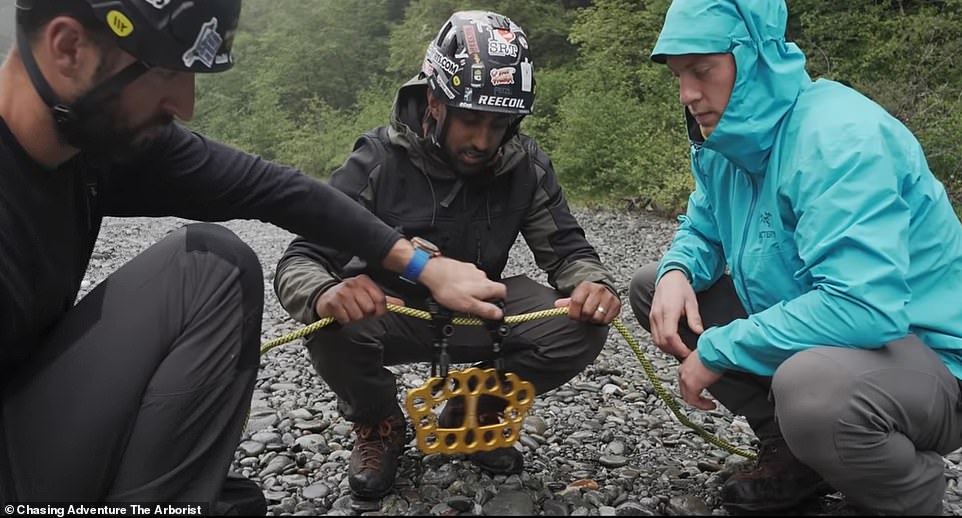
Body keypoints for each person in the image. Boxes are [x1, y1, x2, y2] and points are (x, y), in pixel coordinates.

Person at [0, 0, 510, 512]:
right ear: (68, 48)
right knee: (208, 267)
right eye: (166, 72)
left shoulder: (97, 146)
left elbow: (278, 190)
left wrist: (425, 266)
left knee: (212, 269)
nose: (184, 103)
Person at [628, 0, 962, 515]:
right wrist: (678, 269)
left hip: (929, 360)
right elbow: (703, 227)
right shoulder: (726, 144)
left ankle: (907, 495)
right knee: (656, 287)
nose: (688, 94)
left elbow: (863, 308)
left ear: (756, 56)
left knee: (812, 390)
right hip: (840, 340)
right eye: (678, 75)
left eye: (702, 70)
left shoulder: (838, 139)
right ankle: (794, 456)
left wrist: (719, 348)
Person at [273, 10, 622, 502]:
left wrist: (593, 285)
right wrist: (327, 293)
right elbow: (300, 259)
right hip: (392, 310)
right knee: (331, 324)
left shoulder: (527, 164)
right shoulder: (377, 159)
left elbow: (567, 250)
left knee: (581, 327)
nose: (483, 140)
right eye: (471, 120)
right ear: (434, 101)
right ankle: (379, 424)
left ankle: (474, 412)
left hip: (478, 312)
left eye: (499, 124)